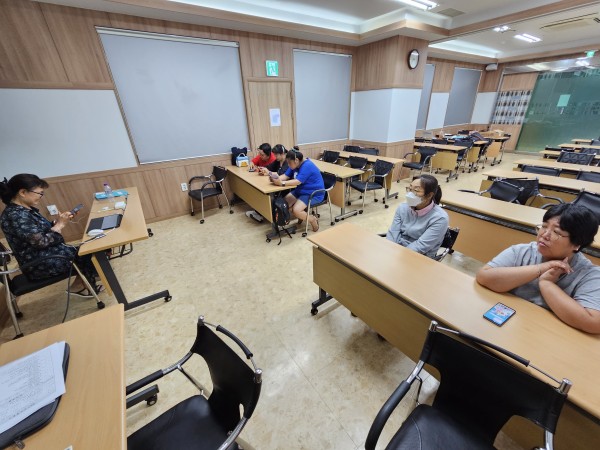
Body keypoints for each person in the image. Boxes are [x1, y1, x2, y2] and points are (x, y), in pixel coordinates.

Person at [476, 203, 600, 334]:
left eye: (557, 232)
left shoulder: (590, 275)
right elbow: (484, 277)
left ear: (577, 244)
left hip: (548, 337)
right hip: (509, 330)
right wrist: (540, 268)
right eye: (544, 226)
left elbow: (594, 323)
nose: (545, 235)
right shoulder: (522, 251)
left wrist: (546, 283)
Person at [0, 174, 98, 296]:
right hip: (39, 264)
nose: (41, 197)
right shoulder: (16, 215)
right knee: (88, 253)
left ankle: (83, 283)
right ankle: (84, 285)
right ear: (23, 192)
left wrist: (58, 221)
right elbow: (41, 242)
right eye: (39, 193)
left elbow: (37, 232)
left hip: (47, 255)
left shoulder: (23, 210)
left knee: (90, 248)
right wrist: (59, 225)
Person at [386, 174, 449, 259]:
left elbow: (421, 246)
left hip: (420, 257)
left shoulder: (440, 218)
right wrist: (388, 249)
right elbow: (393, 232)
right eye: (409, 189)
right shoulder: (403, 207)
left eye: (416, 190)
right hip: (396, 250)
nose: (409, 194)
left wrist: (397, 256)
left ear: (429, 195)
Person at [270, 149, 324, 232]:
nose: (288, 164)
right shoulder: (294, 165)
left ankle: (312, 219)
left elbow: (298, 181)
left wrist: (282, 183)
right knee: (284, 204)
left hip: (313, 193)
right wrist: (275, 179)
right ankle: (301, 216)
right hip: (301, 190)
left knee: (296, 210)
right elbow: (285, 176)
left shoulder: (307, 165)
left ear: (296, 160)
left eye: (289, 163)